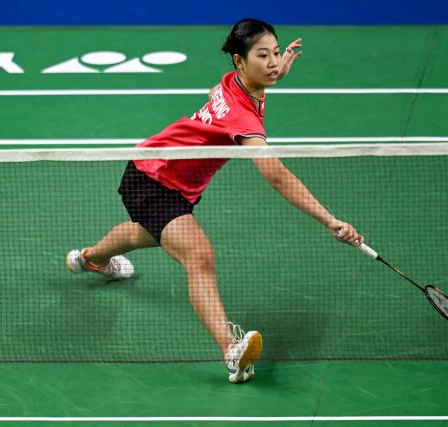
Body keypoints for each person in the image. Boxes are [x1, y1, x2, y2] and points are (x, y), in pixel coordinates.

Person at [66, 18, 363, 384]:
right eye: (262, 56)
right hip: (152, 176)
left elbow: (213, 93)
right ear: (239, 61)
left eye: (275, 54)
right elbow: (276, 175)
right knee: (199, 255)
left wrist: (277, 74)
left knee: (143, 233)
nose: (272, 63)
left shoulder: (238, 84)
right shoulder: (242, 115)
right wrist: (329, 219)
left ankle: (90, 259)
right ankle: (231, 351)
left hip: (172, 179)